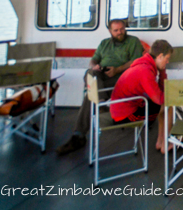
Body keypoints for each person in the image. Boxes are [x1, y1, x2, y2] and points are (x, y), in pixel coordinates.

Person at [56, 19, 144, 155]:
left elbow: (137, 61)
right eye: (116, 30)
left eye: (122, 29)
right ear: (110, 31)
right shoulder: (104, 43)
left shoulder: (133, 41)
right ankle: (101, 103)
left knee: (90, 95)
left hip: (122, 78)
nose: (120, 32)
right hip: (102, 75)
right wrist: (94, 66)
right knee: (90, 73)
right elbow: (93, 59)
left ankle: (79, 135)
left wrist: (117, 69)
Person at [110, 40, 174, 153]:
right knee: (169, 106)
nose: (167, 62)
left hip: (123, 108)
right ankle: (165, 142)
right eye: (167, 58)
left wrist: (162, 71)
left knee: (163, 105)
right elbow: (159, 99)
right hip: (125, 115)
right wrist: (177, 97)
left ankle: (161, 141)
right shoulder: (145, 71)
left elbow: (160, 92)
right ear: (160, 56)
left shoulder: (145, 64)